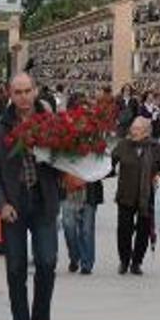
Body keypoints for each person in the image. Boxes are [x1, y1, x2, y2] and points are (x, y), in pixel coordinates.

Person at [0, 73, 60, 320]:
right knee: (15, 268)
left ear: (36, 91)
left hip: (44, 202)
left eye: (28, 91)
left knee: (47, 262)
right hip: (13, 206)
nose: (24, 97)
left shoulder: (52, 123)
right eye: (18, 92)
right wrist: (1, 203)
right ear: (9, 94)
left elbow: (65, 158)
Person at [111, 117, 160, 276]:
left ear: (146, 132)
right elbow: (109, 163)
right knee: (124, 230)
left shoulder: (155, 148)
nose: (133, 131)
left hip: (146, 197)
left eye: (137, 129)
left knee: (143, 231)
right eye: (132, 128)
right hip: (126, 195)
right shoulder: (123, 145)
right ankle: (124, 261)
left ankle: (136, 262)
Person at [60, 94, 103, 275]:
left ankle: (87, 263)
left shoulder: (97, 140)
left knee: (87, 228)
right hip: (69, 189)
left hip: (89, 190)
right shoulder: (61, 138)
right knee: (69, 227)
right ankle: (75, 256)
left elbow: (104, 165)